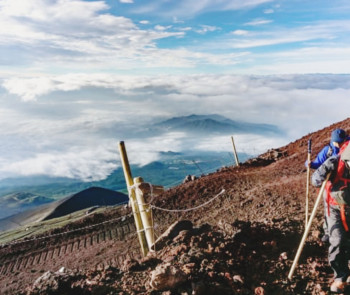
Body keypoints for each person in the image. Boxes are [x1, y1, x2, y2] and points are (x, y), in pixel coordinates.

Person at [311, 139, 350, 293]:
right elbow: (315, 180)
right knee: (338, 240)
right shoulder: (334, 162)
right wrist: (323, 173)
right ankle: (340, 276)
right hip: (334, 208)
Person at [306, 128, 348, 243]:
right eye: (336, 142)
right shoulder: (328, 150)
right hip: (330, 186)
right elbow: (318, 164)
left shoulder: (348, 148)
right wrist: (310, 164)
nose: (339, 145)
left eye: (341, 142)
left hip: (345, 186)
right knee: (329, 209)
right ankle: (328, 232)